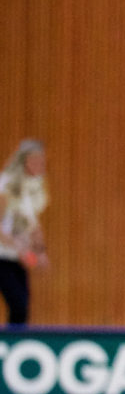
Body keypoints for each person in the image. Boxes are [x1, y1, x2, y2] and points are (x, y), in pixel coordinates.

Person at [0, 139, 50, 326]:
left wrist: (40, 251)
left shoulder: (32, 188)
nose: (39, 166)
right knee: (19, 305)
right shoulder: (6, 185)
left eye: (42, 161)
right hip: (3, 256)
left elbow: (33, 224)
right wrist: (19, 249)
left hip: (16, 258)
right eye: (35, 161)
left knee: (22, 309)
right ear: (23, 160)